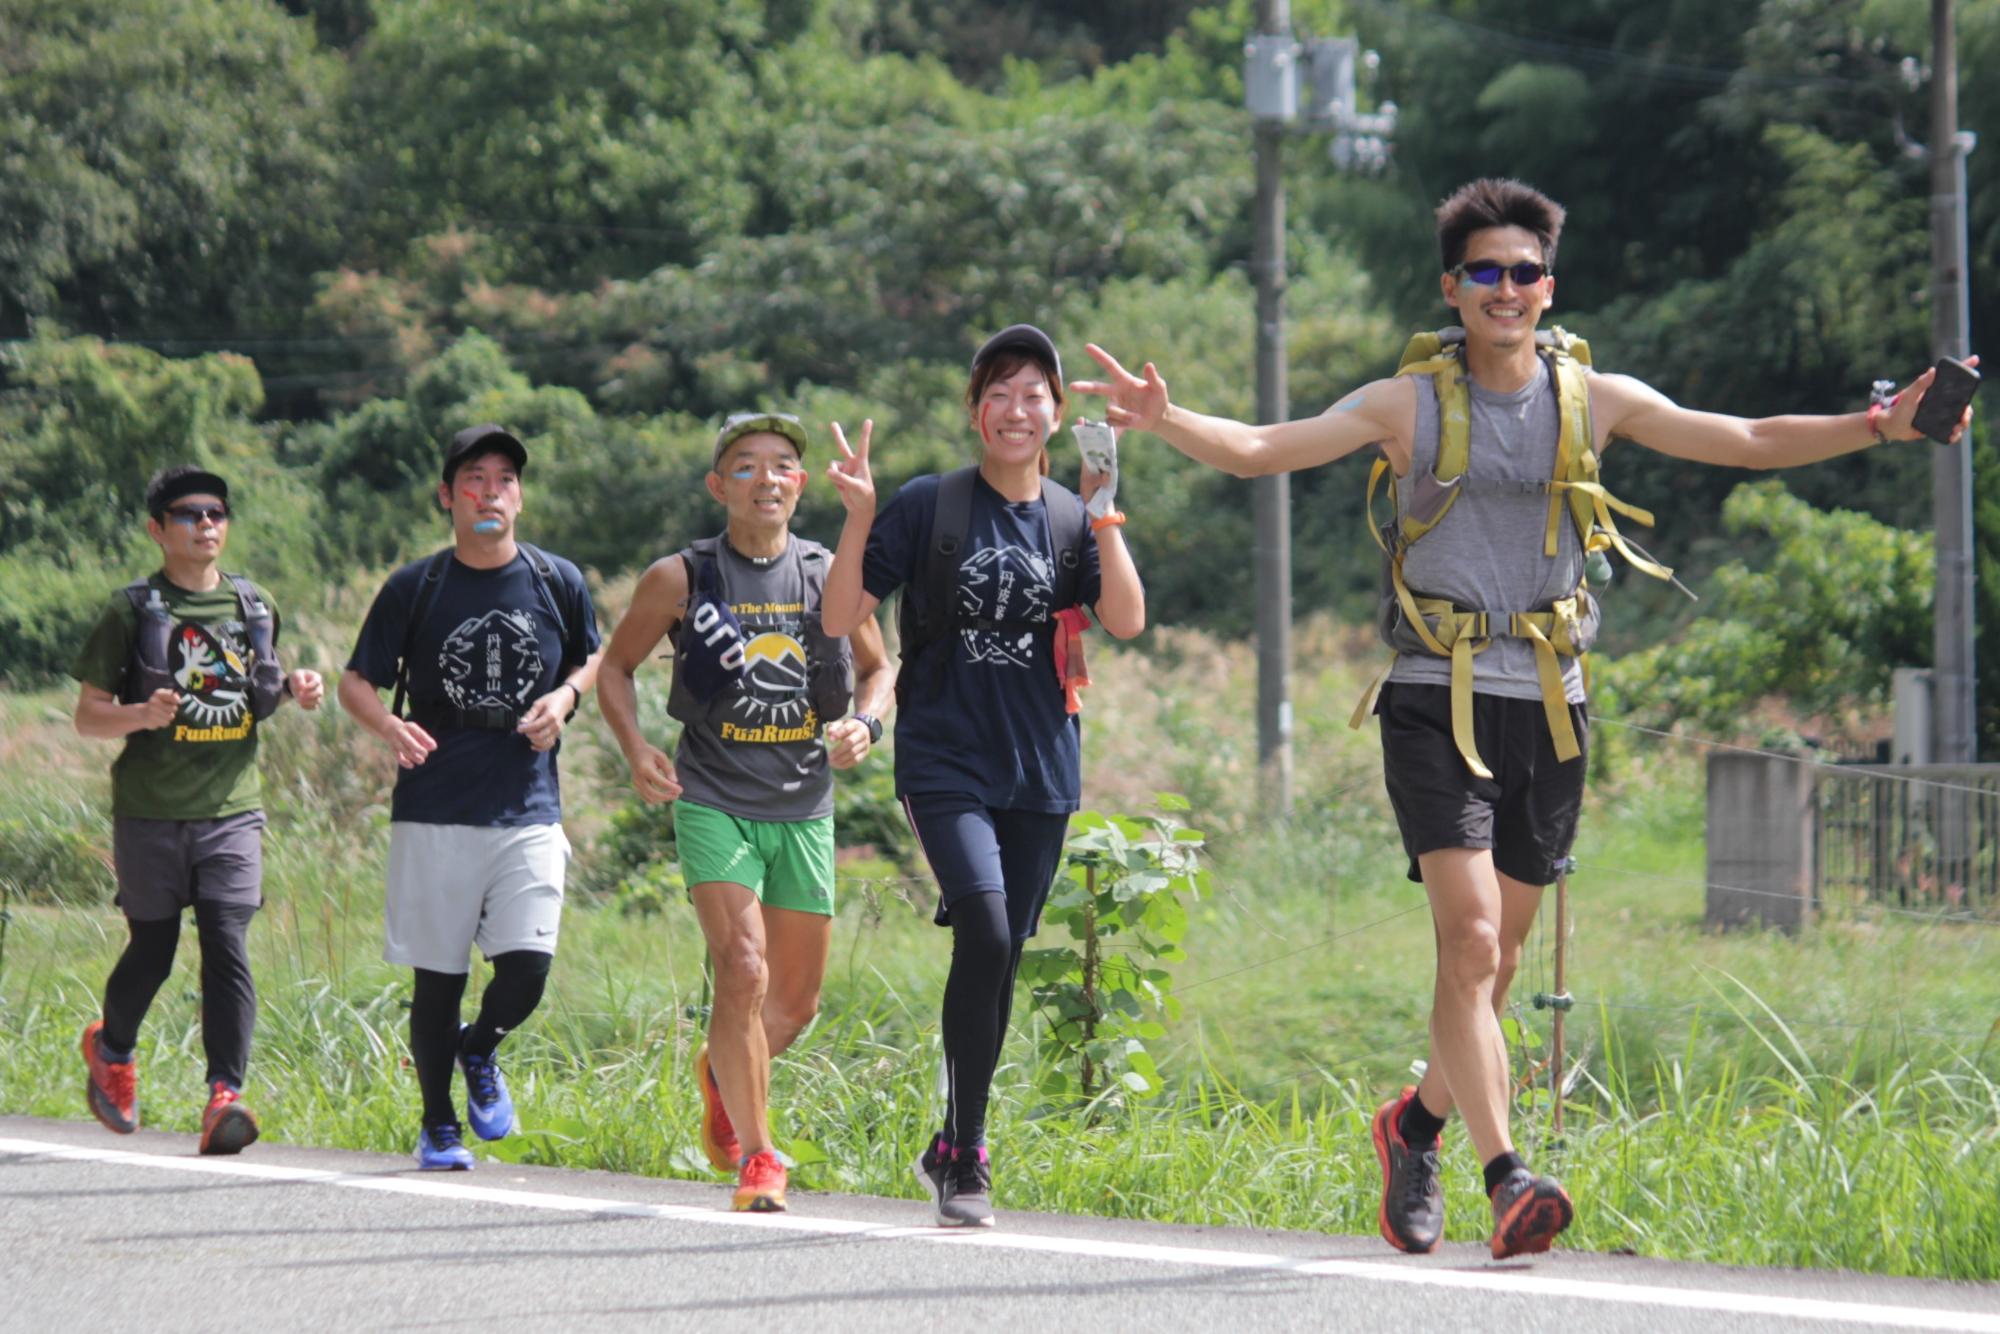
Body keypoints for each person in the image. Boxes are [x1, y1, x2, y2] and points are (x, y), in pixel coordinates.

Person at [1070, 177, 1977, 1260]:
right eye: (1485, 273)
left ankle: (1411, 1128)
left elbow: (1737, 435)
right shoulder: (1401, 406)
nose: (1506, 290)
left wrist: (1875, 424)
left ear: (1548, 287)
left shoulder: (1587, 396)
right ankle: (1508, 1178)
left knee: (1491, 976)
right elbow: (1265, 446)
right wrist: (1162, 416)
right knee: (1471, 938)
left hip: (1550, 701)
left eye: (1524, 273)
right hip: (1431, 696)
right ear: (1450, 288)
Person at [820, 325, 1147, 1227]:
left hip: (1041, 767)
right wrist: (857, 517)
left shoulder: (1072, 519)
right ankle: (969, 1155)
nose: (1016, 409)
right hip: (944, 759)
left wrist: (1106, 505)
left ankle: (950, 1141)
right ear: (975, 412)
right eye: (998, 392)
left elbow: (1123, 618)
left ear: (1058, 413)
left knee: (997, 955)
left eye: (1034, 393)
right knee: (990, 933)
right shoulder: (930, 506)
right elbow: (841, 613)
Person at [598, 411, 897, 1213]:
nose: (766, 479)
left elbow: (879, 667)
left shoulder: (830, 573)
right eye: (746, 466)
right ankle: (760, 1159)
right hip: (713, 798)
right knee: (745, 969)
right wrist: (635, 750)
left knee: (794, 1003)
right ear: (717, 485)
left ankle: (718, 1074)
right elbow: (615, 670)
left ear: (801, 485)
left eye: (782, 467)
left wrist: (865, 724)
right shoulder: (681, 577)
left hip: (804, 804)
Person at [337, 424, 602, 1170]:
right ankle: (438, 1125)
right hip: (434, 805)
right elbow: (355, 680)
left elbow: (594, 655)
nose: (491, 492)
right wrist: (388, 724)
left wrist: (566, 696)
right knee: (439, 977)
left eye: (505, 479)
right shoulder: (415, 587)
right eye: (475, 480)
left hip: (528, 803)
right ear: (448, 496)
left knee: (528, 970)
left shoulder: (557, 581)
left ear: (519, 496)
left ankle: (478, 1050)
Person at [71, 465, 325, 1155]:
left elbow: (258, 693)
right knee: (152, 949)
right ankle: (113, 1049)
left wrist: (297, 686)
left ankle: (224, 1097)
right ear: (158, 530)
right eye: (188, 514)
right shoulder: (131, 610)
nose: (206, 525)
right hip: (151, 811)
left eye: (216, 513)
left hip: (232, 809)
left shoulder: (253, 604)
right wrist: (139, 714)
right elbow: (88, 718)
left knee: (227, 943)